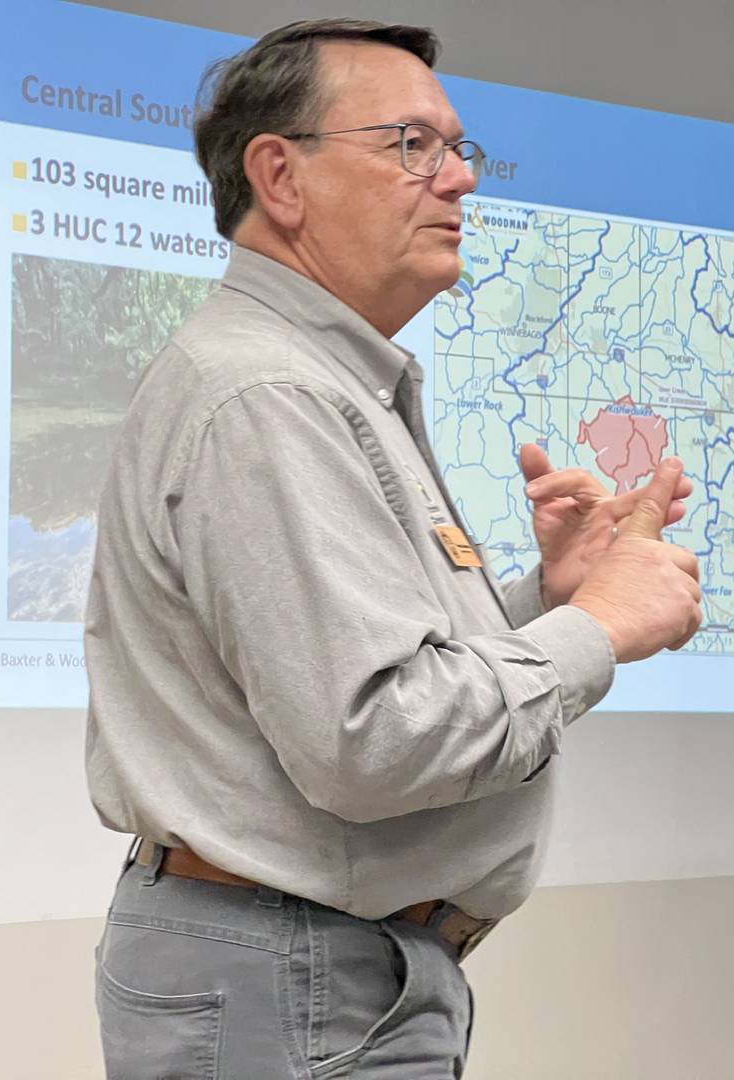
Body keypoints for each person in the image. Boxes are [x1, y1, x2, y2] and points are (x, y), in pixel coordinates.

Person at [84, 19, 702, 1078]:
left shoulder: (314, 381)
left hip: (319, 971)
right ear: (280, 175)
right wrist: (597, 630)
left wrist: (543, 601)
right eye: (414, 145)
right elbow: (372, 741)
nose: (458, 180)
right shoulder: (269, 395)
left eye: (460, 150)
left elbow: (362, 671)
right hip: (293, 974)